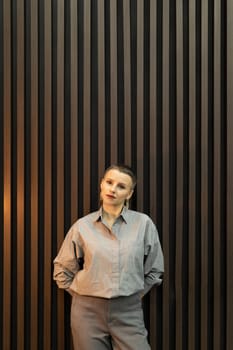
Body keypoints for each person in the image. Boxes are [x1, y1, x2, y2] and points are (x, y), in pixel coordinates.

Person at [53, 164, 164, 350]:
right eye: (109, 182)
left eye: (121, 186)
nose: (113, 189)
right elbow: (62, 270)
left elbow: (155, 269)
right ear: (101, 185)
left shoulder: (143, 224)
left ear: (129, 194)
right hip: (86, 313)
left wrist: (134, 293)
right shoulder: (82, 226)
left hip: (129, 311)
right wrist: (84, 295)